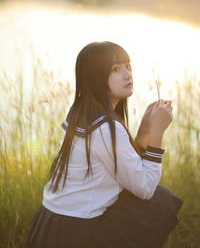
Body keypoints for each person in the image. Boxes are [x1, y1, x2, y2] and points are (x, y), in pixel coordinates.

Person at [26, 41, 183, 248]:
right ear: (96, 78)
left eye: (128, 66)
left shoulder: (81, 111)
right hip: (73, 235)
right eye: (116, 70)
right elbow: (145, 188)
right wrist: (157, 133)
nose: (127, 74)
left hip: (49, 226)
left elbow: (127, 169)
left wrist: (145, 131)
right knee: (160, 201)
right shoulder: (104, 127)